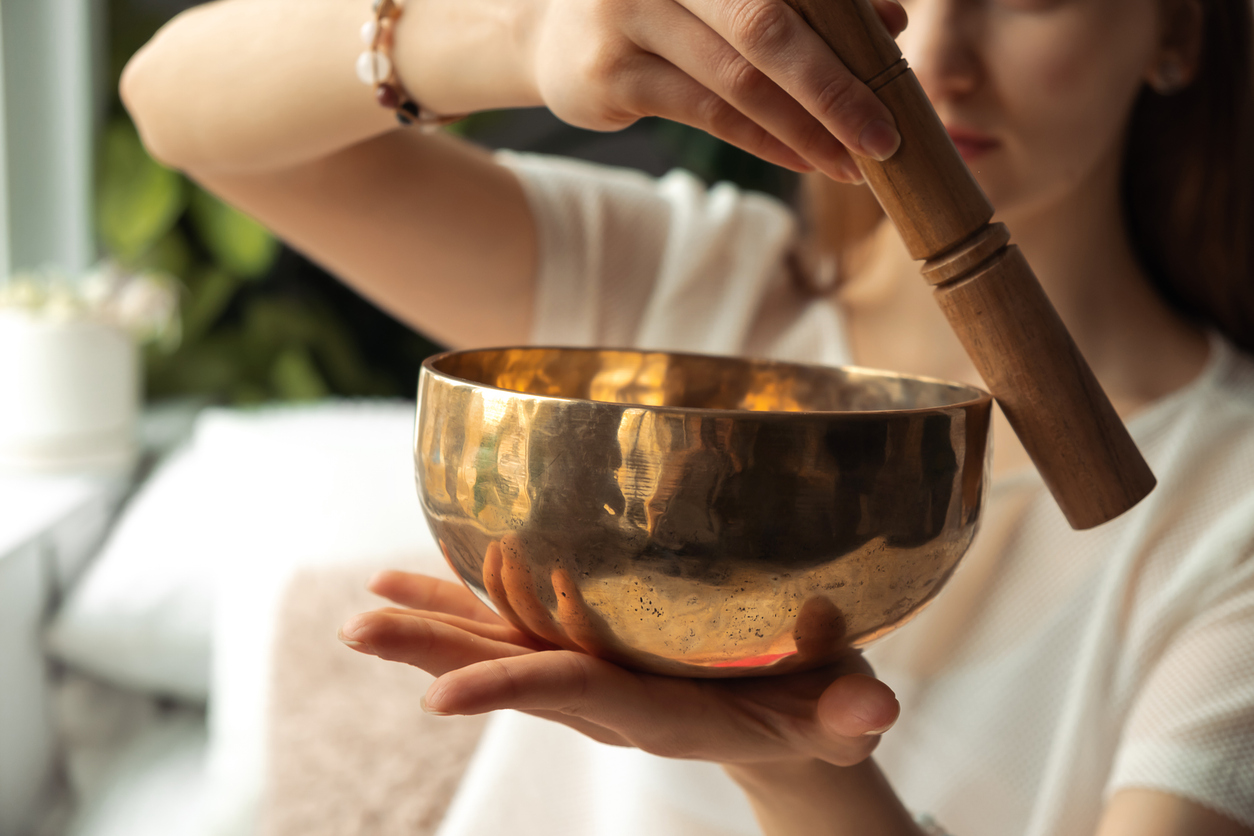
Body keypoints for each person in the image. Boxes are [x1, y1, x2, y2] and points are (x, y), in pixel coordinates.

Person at [121, 0, 1254, 833]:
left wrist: (798, 771)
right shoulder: (683, 291)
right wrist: (525, 34)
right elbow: (174, 104)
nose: (939, 60)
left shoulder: (1233, 504)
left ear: (1176, 30)